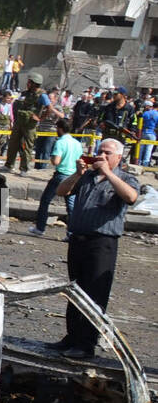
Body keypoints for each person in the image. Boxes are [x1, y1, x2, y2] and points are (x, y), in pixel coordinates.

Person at [52, 138, 138, 360]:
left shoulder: (125, 178)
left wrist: (109, 173)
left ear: (118, 157)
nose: (101, 155)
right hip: (78, 240)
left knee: (95, 295)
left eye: (107, 153)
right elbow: (62, 191)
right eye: (100, 151)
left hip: (102, 243)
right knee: (75, 291)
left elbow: (131, 197)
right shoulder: (88, 176)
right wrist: (78, 173)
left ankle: (86, 343)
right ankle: (71, 337)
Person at [31, 119, 82, 236]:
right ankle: (72, 233)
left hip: (61, 175)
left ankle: (40, 228)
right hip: (73, 175)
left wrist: (52, 158)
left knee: (45, 201)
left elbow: (56, 161)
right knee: (71, 206)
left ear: (60, 128)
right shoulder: (77, 143)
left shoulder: (60, 142)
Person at [2, 70, 45, 174]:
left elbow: (50, 108)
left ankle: (24, 169)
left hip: (29, 126)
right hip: (19, 123)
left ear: (35, 83)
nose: (27, 83)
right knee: (13, 144)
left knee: (26, 147)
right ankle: (9, 165)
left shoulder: (42, 96)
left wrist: (40, 118)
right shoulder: (24, 93)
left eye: (30, 82)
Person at [0, 90, 15, 156]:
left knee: (3, 141)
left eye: (9, 98)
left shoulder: (9, 105)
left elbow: (10, 116)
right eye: (7, 98)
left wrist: (11, 125)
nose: (9, 99)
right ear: (3, 97)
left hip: (6, 126)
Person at [141, 98, 158, 168]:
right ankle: (145, 163)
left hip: (144, 131)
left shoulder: (146, 113)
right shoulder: (157, 114)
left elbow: (141, 121)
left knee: (141, 148)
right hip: (152, 133)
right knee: (149, 149)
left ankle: (138, 161)